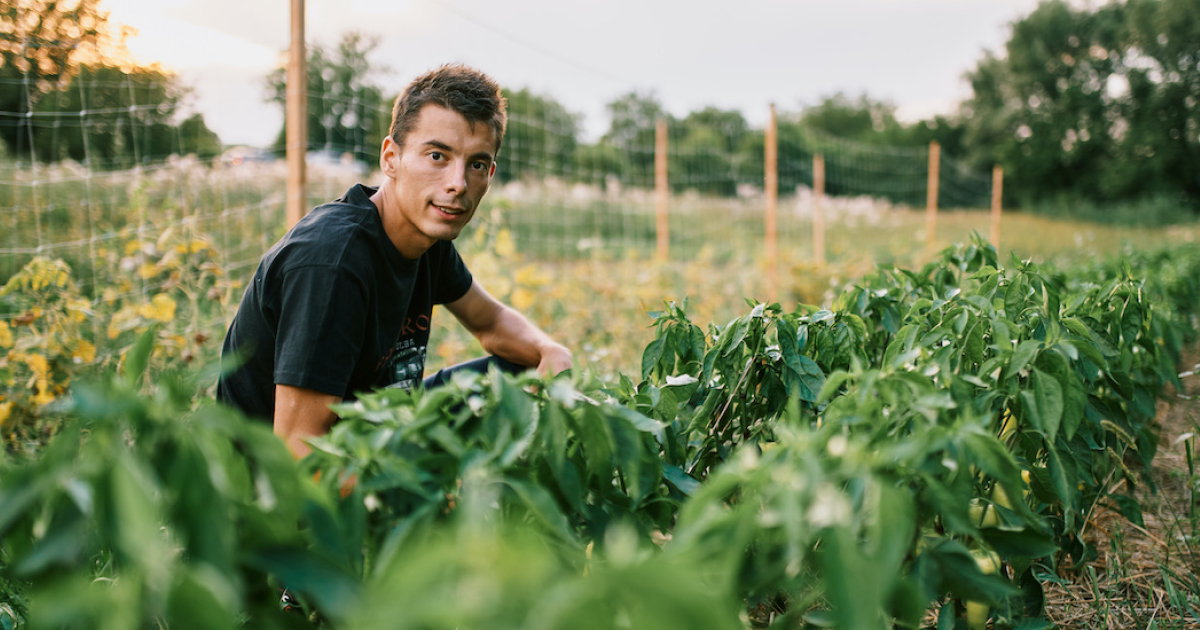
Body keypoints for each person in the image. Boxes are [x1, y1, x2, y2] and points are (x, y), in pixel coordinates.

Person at [217, 64, 572, 458]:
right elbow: (298, 450)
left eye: (475, 164)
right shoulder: (332, 262)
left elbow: (489, 321)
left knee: (517, 373)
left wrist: (549, 350)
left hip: (377, 432)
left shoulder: (426, 234)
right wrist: (433, 492)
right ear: (391, 158)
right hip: (270, 487)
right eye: (437, 155)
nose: (457, 183)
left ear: (489, 174)